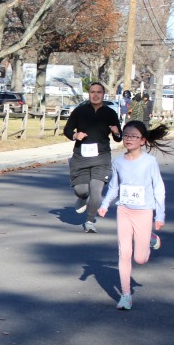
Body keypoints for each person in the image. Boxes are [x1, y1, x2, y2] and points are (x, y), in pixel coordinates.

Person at [97, 120, 169, 311]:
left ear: (143, 140)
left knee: (140, 259)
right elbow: (114, 187)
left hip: (144, 211)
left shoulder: (149, 162)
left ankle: (151, 238)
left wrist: (160, 215)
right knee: (124, 253)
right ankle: (126, 295)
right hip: (124, 211)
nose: (129, 139)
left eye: (134, 136)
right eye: (126, 135)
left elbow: (158, 188)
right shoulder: (118, 161)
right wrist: (105, 204)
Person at [63, 81, 122, 232]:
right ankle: (82, 198)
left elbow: (118, 137)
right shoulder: (80, 111)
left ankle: (89, 221)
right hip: (81, 156)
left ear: (103, 94)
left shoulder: (110, 113)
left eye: (99, 92)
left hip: (101, 157)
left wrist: (116, 132)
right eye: (92, 92)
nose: (95, 95)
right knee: (81, 190)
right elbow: (67, 129)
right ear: (89, 94)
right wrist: (75, 135)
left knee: (96, 192)